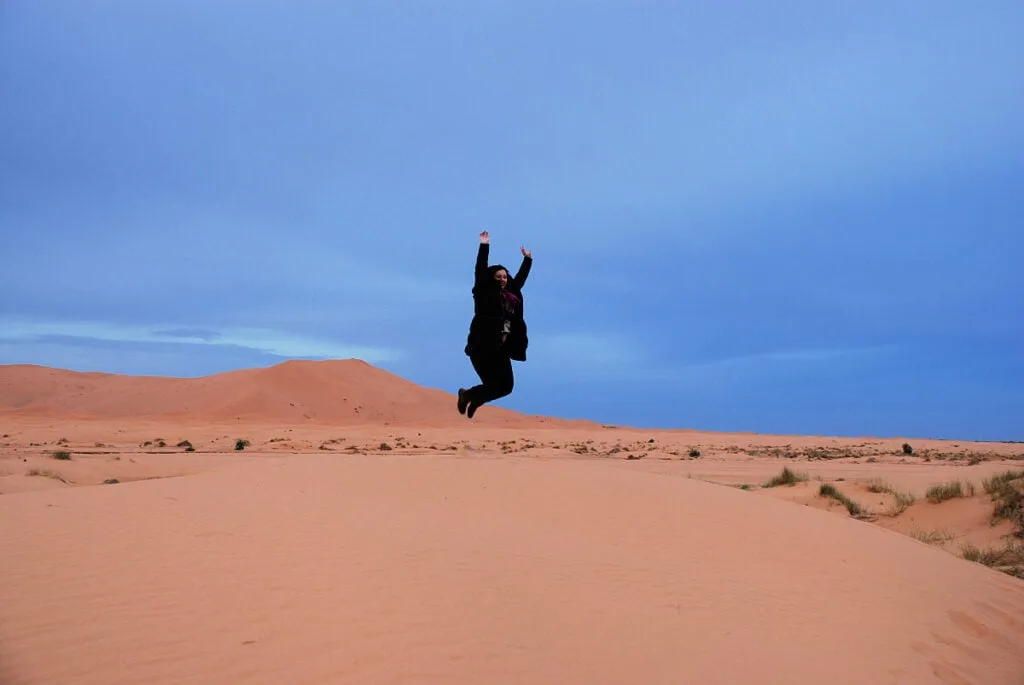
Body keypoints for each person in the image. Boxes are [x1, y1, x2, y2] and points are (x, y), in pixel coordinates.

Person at [457, 230, 532, 418]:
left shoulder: (511, 295)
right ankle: (469, 396)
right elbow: (480, 269)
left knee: (506, 387)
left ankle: (473, 397)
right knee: (493, 384)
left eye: (504, 276)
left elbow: (520, 280)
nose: (502, 280)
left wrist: (527, 260)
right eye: (498, 277)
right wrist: (484, 245)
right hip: (482, 346)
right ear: (491, 279)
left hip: (501, 348)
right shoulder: (482, 292)